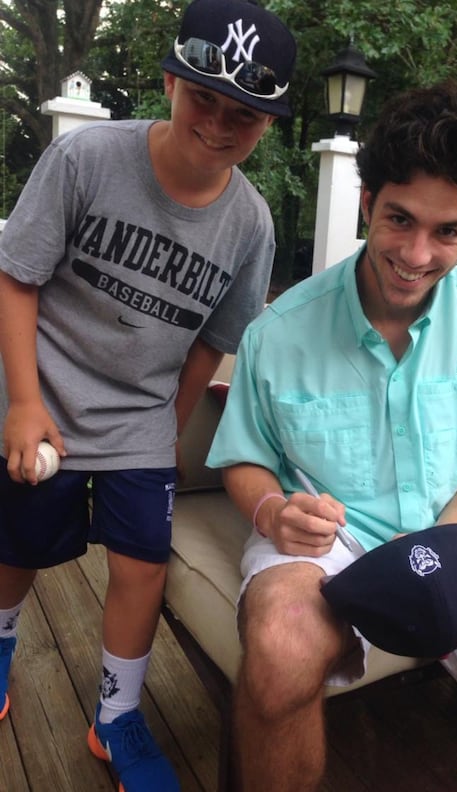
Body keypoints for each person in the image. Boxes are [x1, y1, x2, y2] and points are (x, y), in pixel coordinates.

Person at [206, 80, 457, 792]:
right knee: (280, 649)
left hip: (456, 533)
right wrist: (272, 512)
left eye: (447, 231)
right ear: (367, 204)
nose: (416, 254)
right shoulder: (279, 331)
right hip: (326, 545)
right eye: (399, 219)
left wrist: (437, 549)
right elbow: (244, 457)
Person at [0, 0, 296, 789]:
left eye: (245, 114)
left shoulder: (252, 224)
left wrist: (168, 424)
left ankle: (116, 716)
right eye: (204, 97)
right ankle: (0, 653)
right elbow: (17, 276)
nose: (219, 123)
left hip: (139, 416)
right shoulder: (88, 159)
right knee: (18, 546)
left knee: (141, 566)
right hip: (48, 394)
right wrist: (23, 403)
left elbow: (214, 339)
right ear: (170, 82)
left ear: (266, 125)